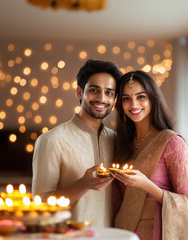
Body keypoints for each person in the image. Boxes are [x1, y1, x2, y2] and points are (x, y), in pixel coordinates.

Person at [112, 70, 188, 239]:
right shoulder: (122, 143)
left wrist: (147, 185)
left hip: (155, 232)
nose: (133, 104)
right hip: (123, 232)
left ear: (153, 98)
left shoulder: (172, 142)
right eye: (126, 98)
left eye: (141, 97)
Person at [32, 59, 122, 227]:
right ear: (80, 92)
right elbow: (40, 204)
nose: (102, 98)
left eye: (109, 93)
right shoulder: (52, 140)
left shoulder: (116, 141)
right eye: (94, 90)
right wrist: (82, 185)